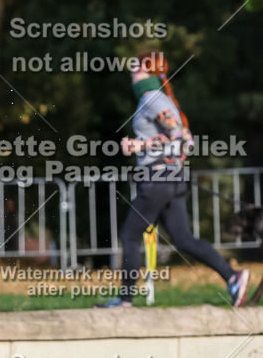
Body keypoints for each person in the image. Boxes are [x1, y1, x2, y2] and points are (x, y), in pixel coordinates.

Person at [97, 52, 250, 308]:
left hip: (158, 179)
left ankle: (124, 302)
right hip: (171, 178)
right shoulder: (162, 99)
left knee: (130, 235)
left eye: (135, 71)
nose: (132, 77)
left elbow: (183, 139)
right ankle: (233, 276)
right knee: (183, 239)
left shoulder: (151, 99)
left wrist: (139, 145)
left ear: (147, 73)